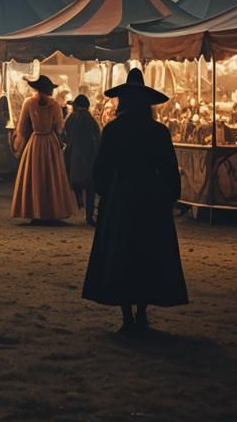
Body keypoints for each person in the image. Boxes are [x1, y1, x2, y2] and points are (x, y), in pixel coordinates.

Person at [82, 68, 188, 332]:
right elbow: (169, 169)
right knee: (148, 255)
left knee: (121, 254)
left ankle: (127, 317)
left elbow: (100, 169)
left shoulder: (114, 130)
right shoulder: (158, 131)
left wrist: (107, 195)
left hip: (121, 197)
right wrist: (169, 195)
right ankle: (141, 314)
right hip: (151, 198)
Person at [11, 76, 77, 224]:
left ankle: (35, 211)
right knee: (52, 177)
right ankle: (53, 211)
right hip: (50, 142)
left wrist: (19, 147)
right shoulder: (54, 105)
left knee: (35, 177)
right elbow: (59, 127)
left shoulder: (28, 103)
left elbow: (22, 128)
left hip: (35, 143)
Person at [63, 94, 102, 226]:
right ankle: (89, 215)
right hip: (90, 157)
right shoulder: (91, 120)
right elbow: (98, 136)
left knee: (75, 182)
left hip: (74, 155)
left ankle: (78, 201)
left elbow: (64, 135)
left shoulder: (71, 118)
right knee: (90, 188)